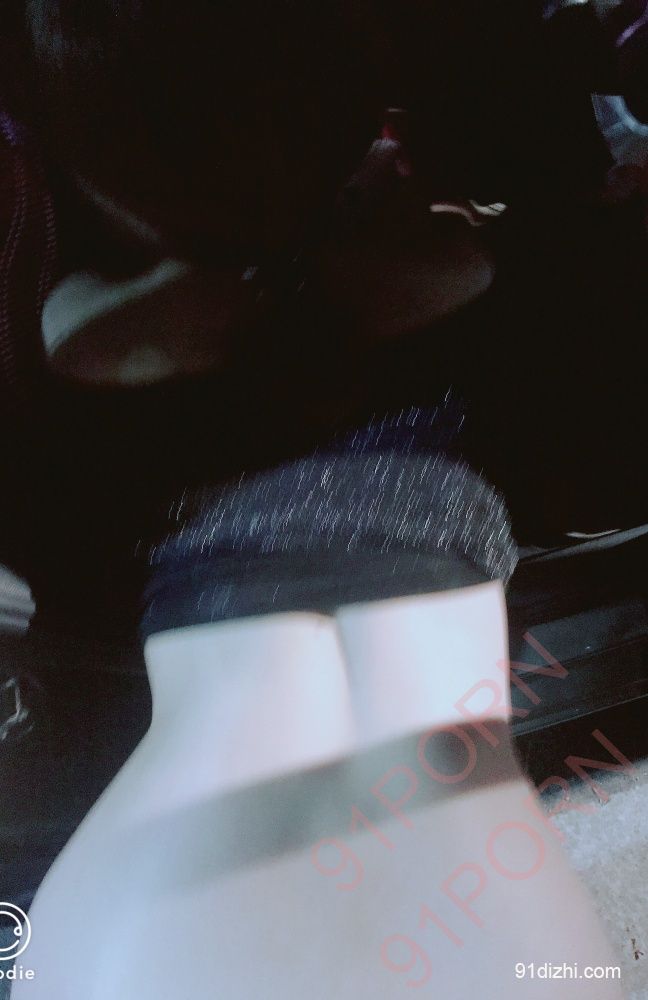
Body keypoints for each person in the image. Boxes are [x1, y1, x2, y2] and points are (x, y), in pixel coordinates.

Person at [7, 2, 625, 997]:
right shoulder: (488, 275)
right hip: (479, 894)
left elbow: (57, 589)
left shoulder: (78, 339)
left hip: (157, 898)